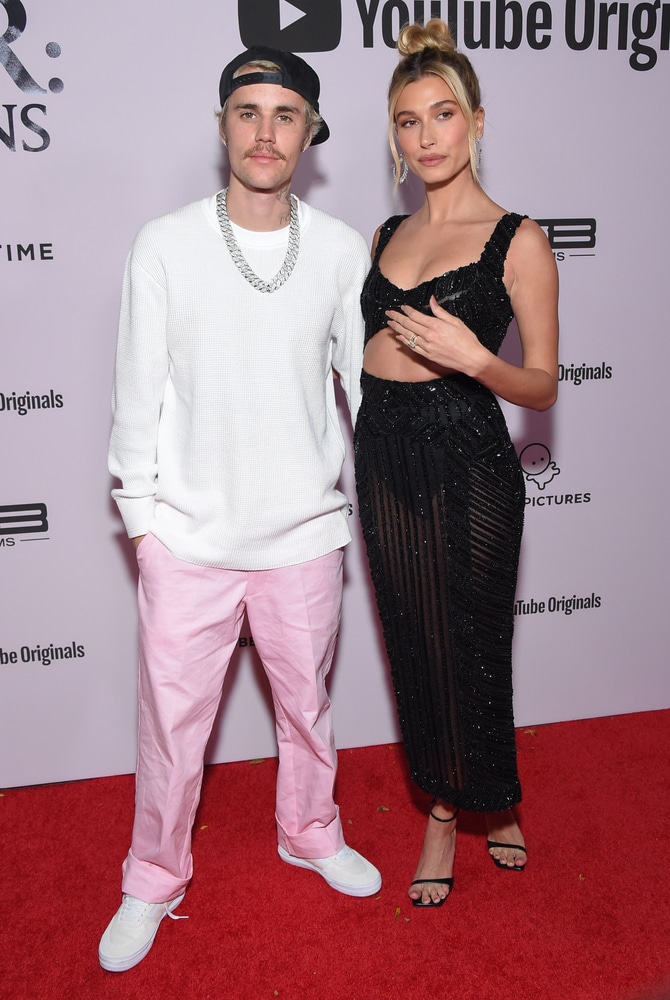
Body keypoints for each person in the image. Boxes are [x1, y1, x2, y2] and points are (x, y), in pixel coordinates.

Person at [99, 45, 381, 973]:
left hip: (304, 536)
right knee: (171, 732)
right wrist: (144, 524)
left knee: (308, 710)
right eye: (248, 112)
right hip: (186, 540)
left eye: (285, 114)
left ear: (310, 131)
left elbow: (365, 392)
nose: (266, 132)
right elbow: (137, 394)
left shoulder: (341, 250)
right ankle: (152, 876)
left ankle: (310, 830)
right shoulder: (164, 244)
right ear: (221, 125)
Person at [354, 19, 559, 907]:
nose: (426, 136)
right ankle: (455, 794)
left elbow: (542, 383)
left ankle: (471, 806)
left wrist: (477, 360)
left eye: (443, 114)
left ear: (477, 121)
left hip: (468, 454)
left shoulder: (519, 238)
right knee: (413, 639)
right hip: (383, 451)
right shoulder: (384, 233)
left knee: (473, 642)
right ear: (394, 135)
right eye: (409, 121)